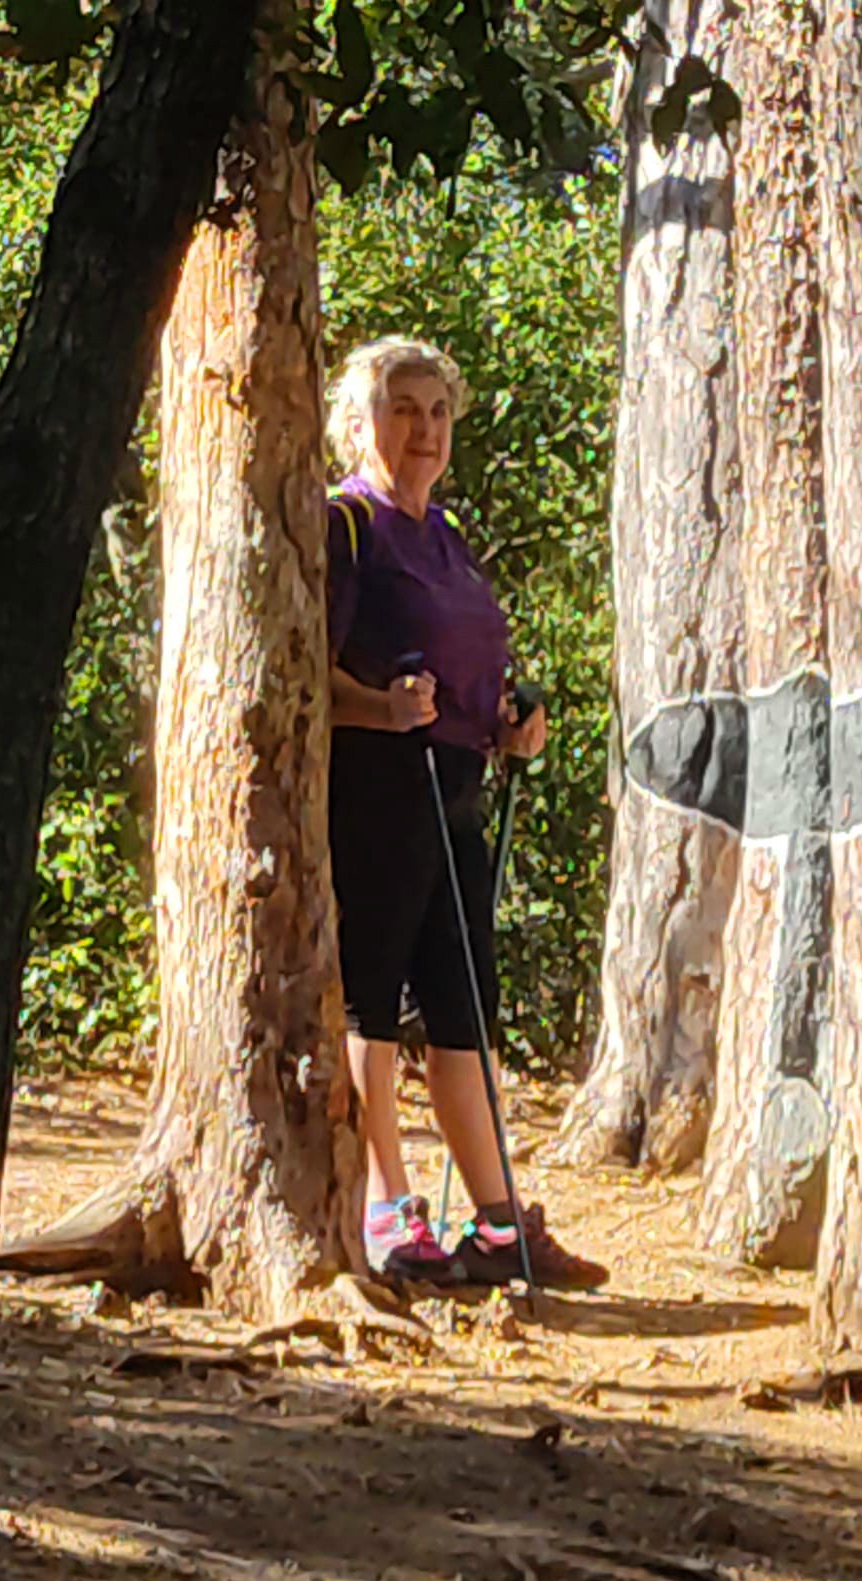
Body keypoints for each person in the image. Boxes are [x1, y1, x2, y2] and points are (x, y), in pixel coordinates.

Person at [324, 335, 608, 1292]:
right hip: (374, 786)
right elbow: (298, 670)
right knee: (370, 1003)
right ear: (358, 423)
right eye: (404, 409)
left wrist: (511, 723)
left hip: (454, 789)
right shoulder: (345, 525)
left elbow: (473, 662)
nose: (425, 430)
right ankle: (388, 1211)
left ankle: (496, 1227)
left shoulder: (447, 535)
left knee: (463, 1007)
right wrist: (380, 707)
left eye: (438, 412)